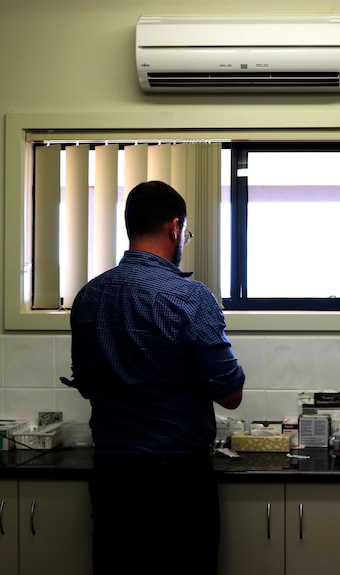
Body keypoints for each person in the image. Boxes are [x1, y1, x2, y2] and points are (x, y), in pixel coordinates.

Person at [65, 180, 245, 575]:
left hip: (113, 480)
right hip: (177, 483)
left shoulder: (88, 296)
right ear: (175, 228)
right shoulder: (191, 298)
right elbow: (231, 393)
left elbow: (86, 384)